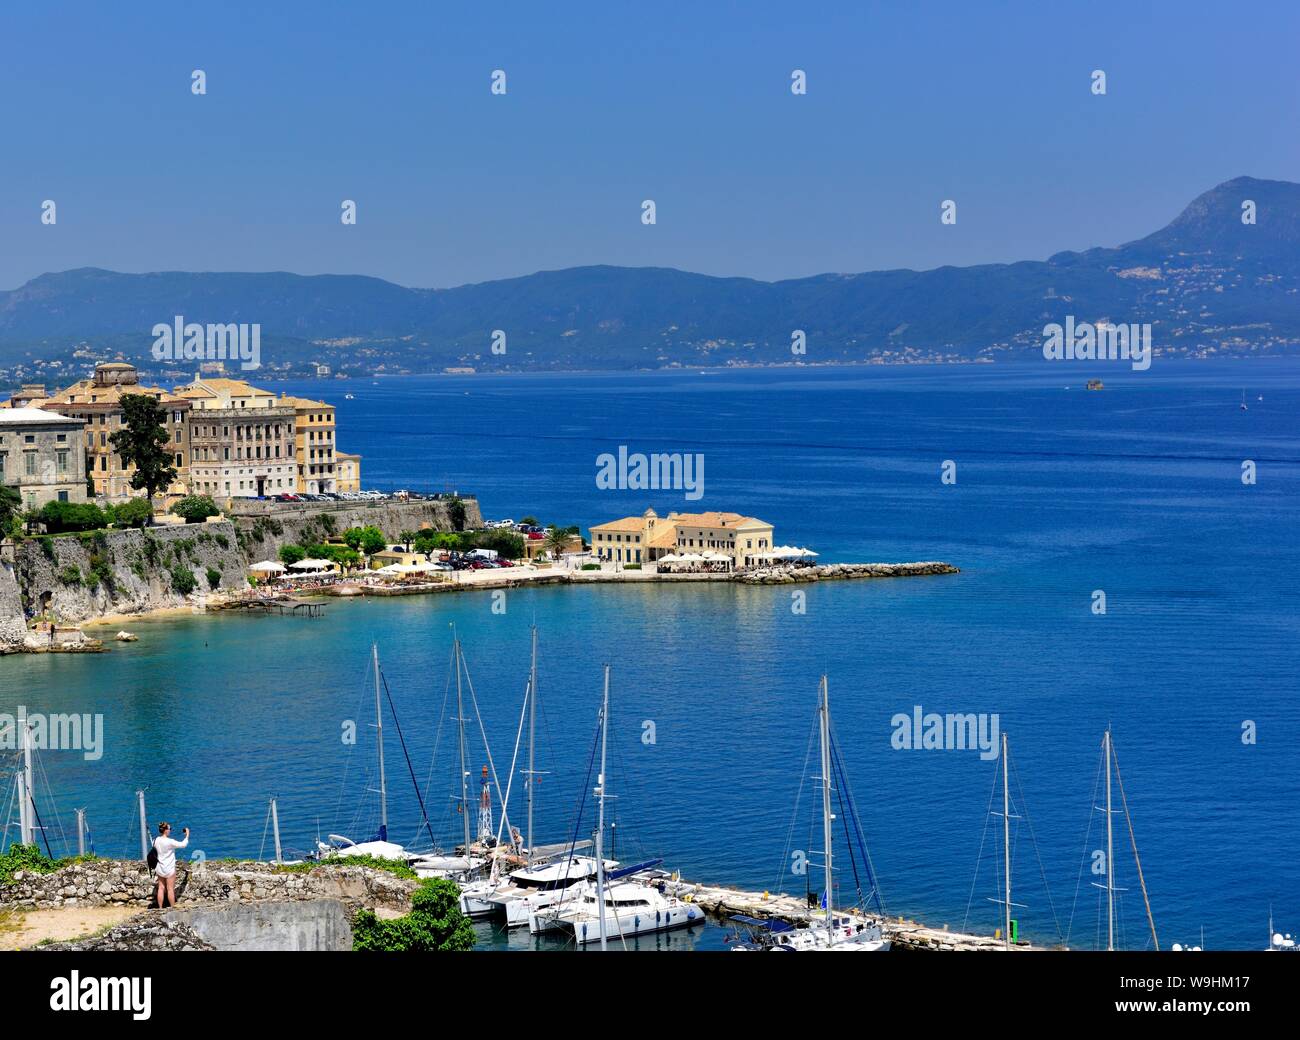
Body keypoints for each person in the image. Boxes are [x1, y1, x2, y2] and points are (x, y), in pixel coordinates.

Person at [152, 822, 190, 908]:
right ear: (165, 830)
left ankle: (160, 908)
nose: (170, 830)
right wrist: (187, 835)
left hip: (160, 867)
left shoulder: (155, 840)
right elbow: (183, 845)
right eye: (169, 829)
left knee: (161, 888)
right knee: (170, 889)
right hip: (169, 868)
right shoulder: (170, 842)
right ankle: (172, 907)